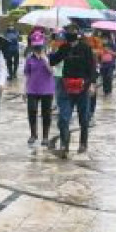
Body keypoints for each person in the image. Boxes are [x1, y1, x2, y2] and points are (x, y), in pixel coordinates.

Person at [49, 28, 98, 158]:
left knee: (84, 117)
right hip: (67, 87)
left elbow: (92, 67)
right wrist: (52, 51)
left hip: (83, 87)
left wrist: (92, 84)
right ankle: (64, 145)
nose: (71, 43)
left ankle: (83, 143)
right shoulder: (64, 48)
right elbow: (53, 61)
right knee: (64, 117)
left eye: (73, 39)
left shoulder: (85, 48)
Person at [23, 31, 55, 146]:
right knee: (32, 111)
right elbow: (26, 74)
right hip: (32, 89)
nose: (38, 48)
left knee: (46, 113)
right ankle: (33, 134)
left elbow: (52, 71)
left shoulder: (50, 56)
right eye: (36, 46)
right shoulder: (29, 58)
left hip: (47, 90)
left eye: (40, 46)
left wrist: (45, 59)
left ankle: (45, 137)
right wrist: (24, 90)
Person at [97, 32, 116, 96]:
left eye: (105, 39)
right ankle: (105, 91)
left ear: (108, 39)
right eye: (103, 39)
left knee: (109, 77)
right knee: (104, 78)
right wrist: (101, 52)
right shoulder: (100, 45)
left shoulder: (112, 45)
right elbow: (97, 55)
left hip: (110, 64)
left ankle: (109, 90)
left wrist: (109, 51)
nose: (104, 40)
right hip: (102, 64)